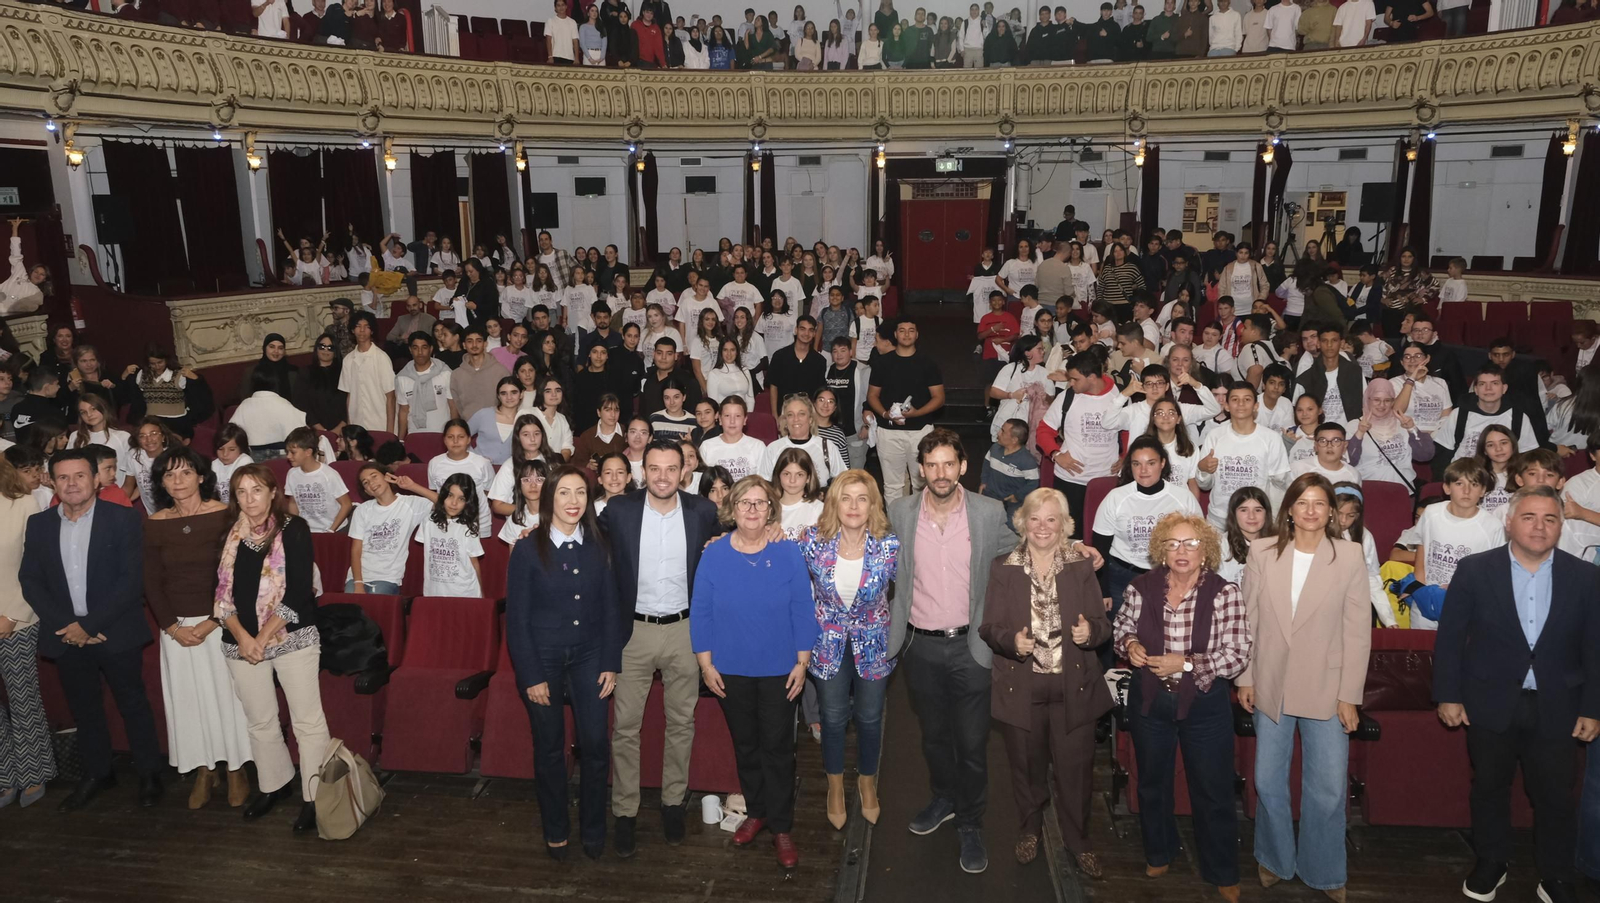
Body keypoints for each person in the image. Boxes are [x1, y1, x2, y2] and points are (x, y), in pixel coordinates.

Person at [1433, 485, 1598, 903]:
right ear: (1508, 522)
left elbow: (1595, 648)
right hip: (1488, 702)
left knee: (1556, 796)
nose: (1539, 526)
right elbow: (1450, 639)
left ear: (1561, 525)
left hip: (1558, 706)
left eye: (1549, 518)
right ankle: (1492, 862)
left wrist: (1593, 707)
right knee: (1488, 786)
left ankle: (1556, 875)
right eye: (1529, 517)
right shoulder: (1474, 570)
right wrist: (1448, 695)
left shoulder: (1587, 577)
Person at [888, 429, 1019, 874]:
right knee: (934, 736)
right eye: (932, 465)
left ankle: (970, 822)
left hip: (972, 647)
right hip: (919, 645)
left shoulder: (988, 512)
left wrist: (1074, 552)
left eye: (949, 464)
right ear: (920, 470)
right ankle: (943, 798)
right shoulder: (900, 511)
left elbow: (1024, 550)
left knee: (972, 743)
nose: (940, 473)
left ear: (964, 467)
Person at [1237, 473, 1370, 901]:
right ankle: (1274, 858)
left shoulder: (1349, 556)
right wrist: (1245, 676)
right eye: (1302, 502)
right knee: (1268, 779)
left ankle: (1325, 869)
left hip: (1328, 688)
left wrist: (1350, 694)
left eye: (1319, 503)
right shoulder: (1261, 551)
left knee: (1329, 787)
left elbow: (1358, 631)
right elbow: (1249, 620)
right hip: (1271, 682)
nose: (1310, 510)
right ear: (1289, 510)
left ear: (1331, 511)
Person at [1110, 509, 1250, 900]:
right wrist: (1131, 645)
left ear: (1205, 549)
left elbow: (1238, 654)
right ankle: (1160, 850)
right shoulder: (1140, 587)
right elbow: (1122, 628)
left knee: (1213, 789)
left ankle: (1221, 869)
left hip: (1205, 705)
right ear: (1162, 550)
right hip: (1151, 701)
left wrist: (1186, 662)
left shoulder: (1225, 592)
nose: (1181, 550)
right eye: (1172, 543)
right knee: (1152, 783)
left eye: (1190, 542)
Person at [978, 487, 1113, 875]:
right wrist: (1011, 641)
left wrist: (1092, 633)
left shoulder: (1081, 565)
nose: (1042, 527)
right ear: (1022, 522)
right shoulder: (1002, 566)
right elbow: (989, 627)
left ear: (1064, 524)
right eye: (1035, 518)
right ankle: (1029, 829)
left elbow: (1103, 625)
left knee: (1076, 771)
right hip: (1022, 686)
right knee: (1026, 767)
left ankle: (1078, 839)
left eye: (1051, 519)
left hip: (1075, 687)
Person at [599, 439, 721, 858]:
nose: (664, 476)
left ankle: (672, 804)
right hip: (633, 633)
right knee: (626, 727)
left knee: (681, 723)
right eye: (655, 468)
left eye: (672, 468)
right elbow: (580, 537)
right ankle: (626, 814)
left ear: (684, 471)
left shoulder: (704, 513)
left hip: (685, 631)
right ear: (642, 471)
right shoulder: (618, 511)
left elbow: (742, 539)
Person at [20, 448, 161, 811]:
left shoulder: (123, 519)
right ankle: (98, 773)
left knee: (133, 704)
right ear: (51, 481)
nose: (72, 484)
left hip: (115, 630)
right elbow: (31, 581)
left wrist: (89, 626)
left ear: (96, 479)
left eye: (80, 475)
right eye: (63, 477)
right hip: (66, 635)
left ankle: (149, 774)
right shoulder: (40, 524)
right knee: (84, 709)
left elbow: (132, 581)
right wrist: (69, 627)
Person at [692, 473, 818, 868]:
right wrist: (705, 664)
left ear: (770, 510)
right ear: (732, 508)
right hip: (729, 669)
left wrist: (803, 661)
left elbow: (802, 607)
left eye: (760, 503)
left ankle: (781, 825)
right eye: (745, 502)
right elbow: (702, 611)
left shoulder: (788, 552)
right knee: (746, 746)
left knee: (778, 748)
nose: (751, 509)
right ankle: (757, 811)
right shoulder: (713, 553)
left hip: (780, 668)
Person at [503, 464, 621, 859]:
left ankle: (593, 828)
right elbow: (516, 619)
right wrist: (531, 674)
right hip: (544, 659)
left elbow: (610, 608)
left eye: (581, 493)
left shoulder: (599, 544)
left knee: (595, 745)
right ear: (549, 497)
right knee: (550, 749)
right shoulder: (526, 548)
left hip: (590, 656)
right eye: (565, 493)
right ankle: (555, 829)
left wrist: (610, 661)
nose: (573, 502)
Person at [213, 463, 327, 831]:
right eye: (242, 492)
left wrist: (261, 638)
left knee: (306, 723)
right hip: (240, 643)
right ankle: (274, 785)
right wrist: (244, 638)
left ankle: (315, 796)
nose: (249, 499)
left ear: (273, 492)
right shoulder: (228, 534)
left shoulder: (294, 529)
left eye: (257, 490)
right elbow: (219, 596)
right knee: (260, 721)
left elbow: (298, 591)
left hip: (292, 638)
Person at [144, 446, 253, 810]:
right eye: (169, 474)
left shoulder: (225, 517)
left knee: (228, 698)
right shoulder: (155, 523)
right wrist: (173, 628)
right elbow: (152, 582)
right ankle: (206, 768)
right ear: (161, 482)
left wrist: (211, 622)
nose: (178, 481)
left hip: (221, 623)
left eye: (186, 472)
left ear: (202, 477)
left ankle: (236, 767)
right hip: (176, 629)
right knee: (190, 703)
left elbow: (235, 577)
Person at [0, 456, 51, 809]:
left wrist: (14, 615)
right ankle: (5, 776)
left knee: (22, 699)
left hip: (15, 618)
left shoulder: (24, 503)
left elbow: (35, 567)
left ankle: (33, 773)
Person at [1036, 351, 1124, 533]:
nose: (1070, 383)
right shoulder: (1066, 398)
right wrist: (1056, 454)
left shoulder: (1120, 397)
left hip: (1105, 479)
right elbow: (1043, 431)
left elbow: (1129, 431)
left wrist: (1126, 456)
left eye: (1075, 379)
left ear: (1092, 377)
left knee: (1102, 533)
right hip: (1070, 479)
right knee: (1069, 534)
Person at [870, 319, 947, 503]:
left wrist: (916, 413)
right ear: (895, 335)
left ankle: (920, 528)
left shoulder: (927, 363)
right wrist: (885, 414)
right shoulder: (882, 363)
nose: (906, 334)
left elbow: (939, 398)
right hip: (888, 432)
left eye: (911, 330)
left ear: (917, 335)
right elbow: (872, 395)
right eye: (902, 330)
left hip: (920, 432)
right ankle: (896, 528)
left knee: (922, 484)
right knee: (892, 485)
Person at [337, 312, 395, 433]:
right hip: (357, 423)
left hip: (380, 422)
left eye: (366, 326)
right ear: (353, 329)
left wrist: (389, 431)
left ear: (372, 330)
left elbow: (390, 396)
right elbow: (349, 395)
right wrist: (349, 423)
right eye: (358, 326)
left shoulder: (381, 358)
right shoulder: (348, 360)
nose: (362, 330)